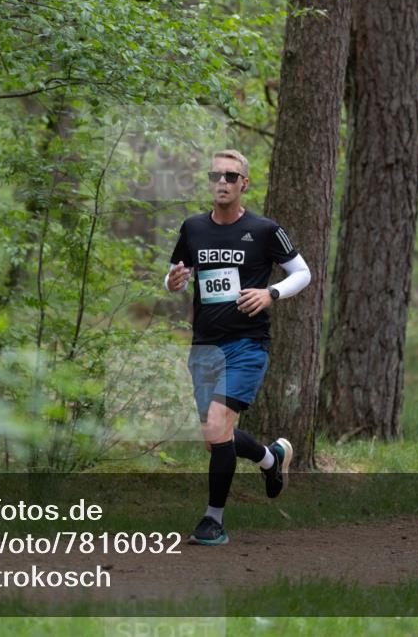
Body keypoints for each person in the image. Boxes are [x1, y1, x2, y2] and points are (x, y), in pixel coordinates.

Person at [164, 149, 311, 546]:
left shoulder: (264, 230)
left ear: (244, 183)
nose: (223, 183)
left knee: (217, 426)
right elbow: (177, 272)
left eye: (231, 176)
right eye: (216, 176)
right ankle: (271, 458)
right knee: (216, 436)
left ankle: (213, 521)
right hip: (204, 347)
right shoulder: (193, 228)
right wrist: (172, 281)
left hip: (247, 345)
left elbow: (303, 272)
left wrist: (271, 293)